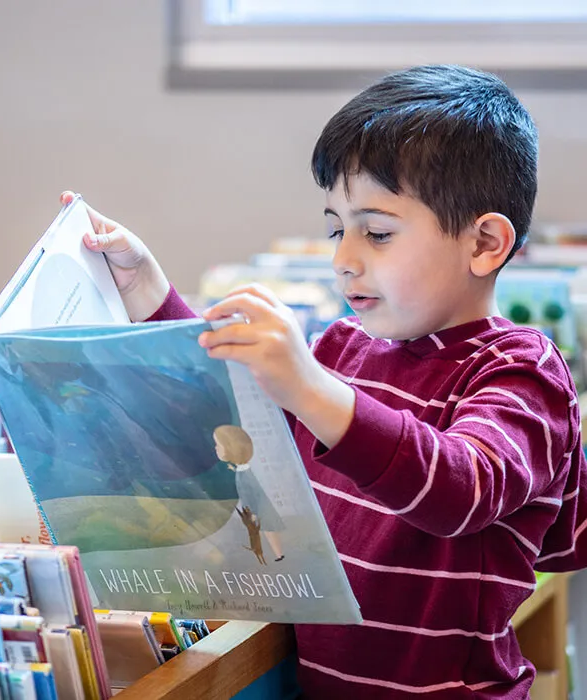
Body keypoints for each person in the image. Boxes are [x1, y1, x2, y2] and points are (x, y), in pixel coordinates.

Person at [62, 64, 587, 699]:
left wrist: (310, 387)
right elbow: (236, 418)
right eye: (338, 228)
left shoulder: (520, 370)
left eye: (378, 232)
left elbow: (462, 486)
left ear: (484, 244)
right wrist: (150, 293)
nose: (343, 258)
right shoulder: (344, 348)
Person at [213, 424, 285, 561]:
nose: (216, 448)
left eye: (218, 445)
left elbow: (248, 493)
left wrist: (251, 512)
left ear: (230, 448)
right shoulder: (243, 470)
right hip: (258, 507)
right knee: (268, 529)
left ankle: (278, 554)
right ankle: (278, 554)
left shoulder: (244, 474)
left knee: (268, 529)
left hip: (258, 508)